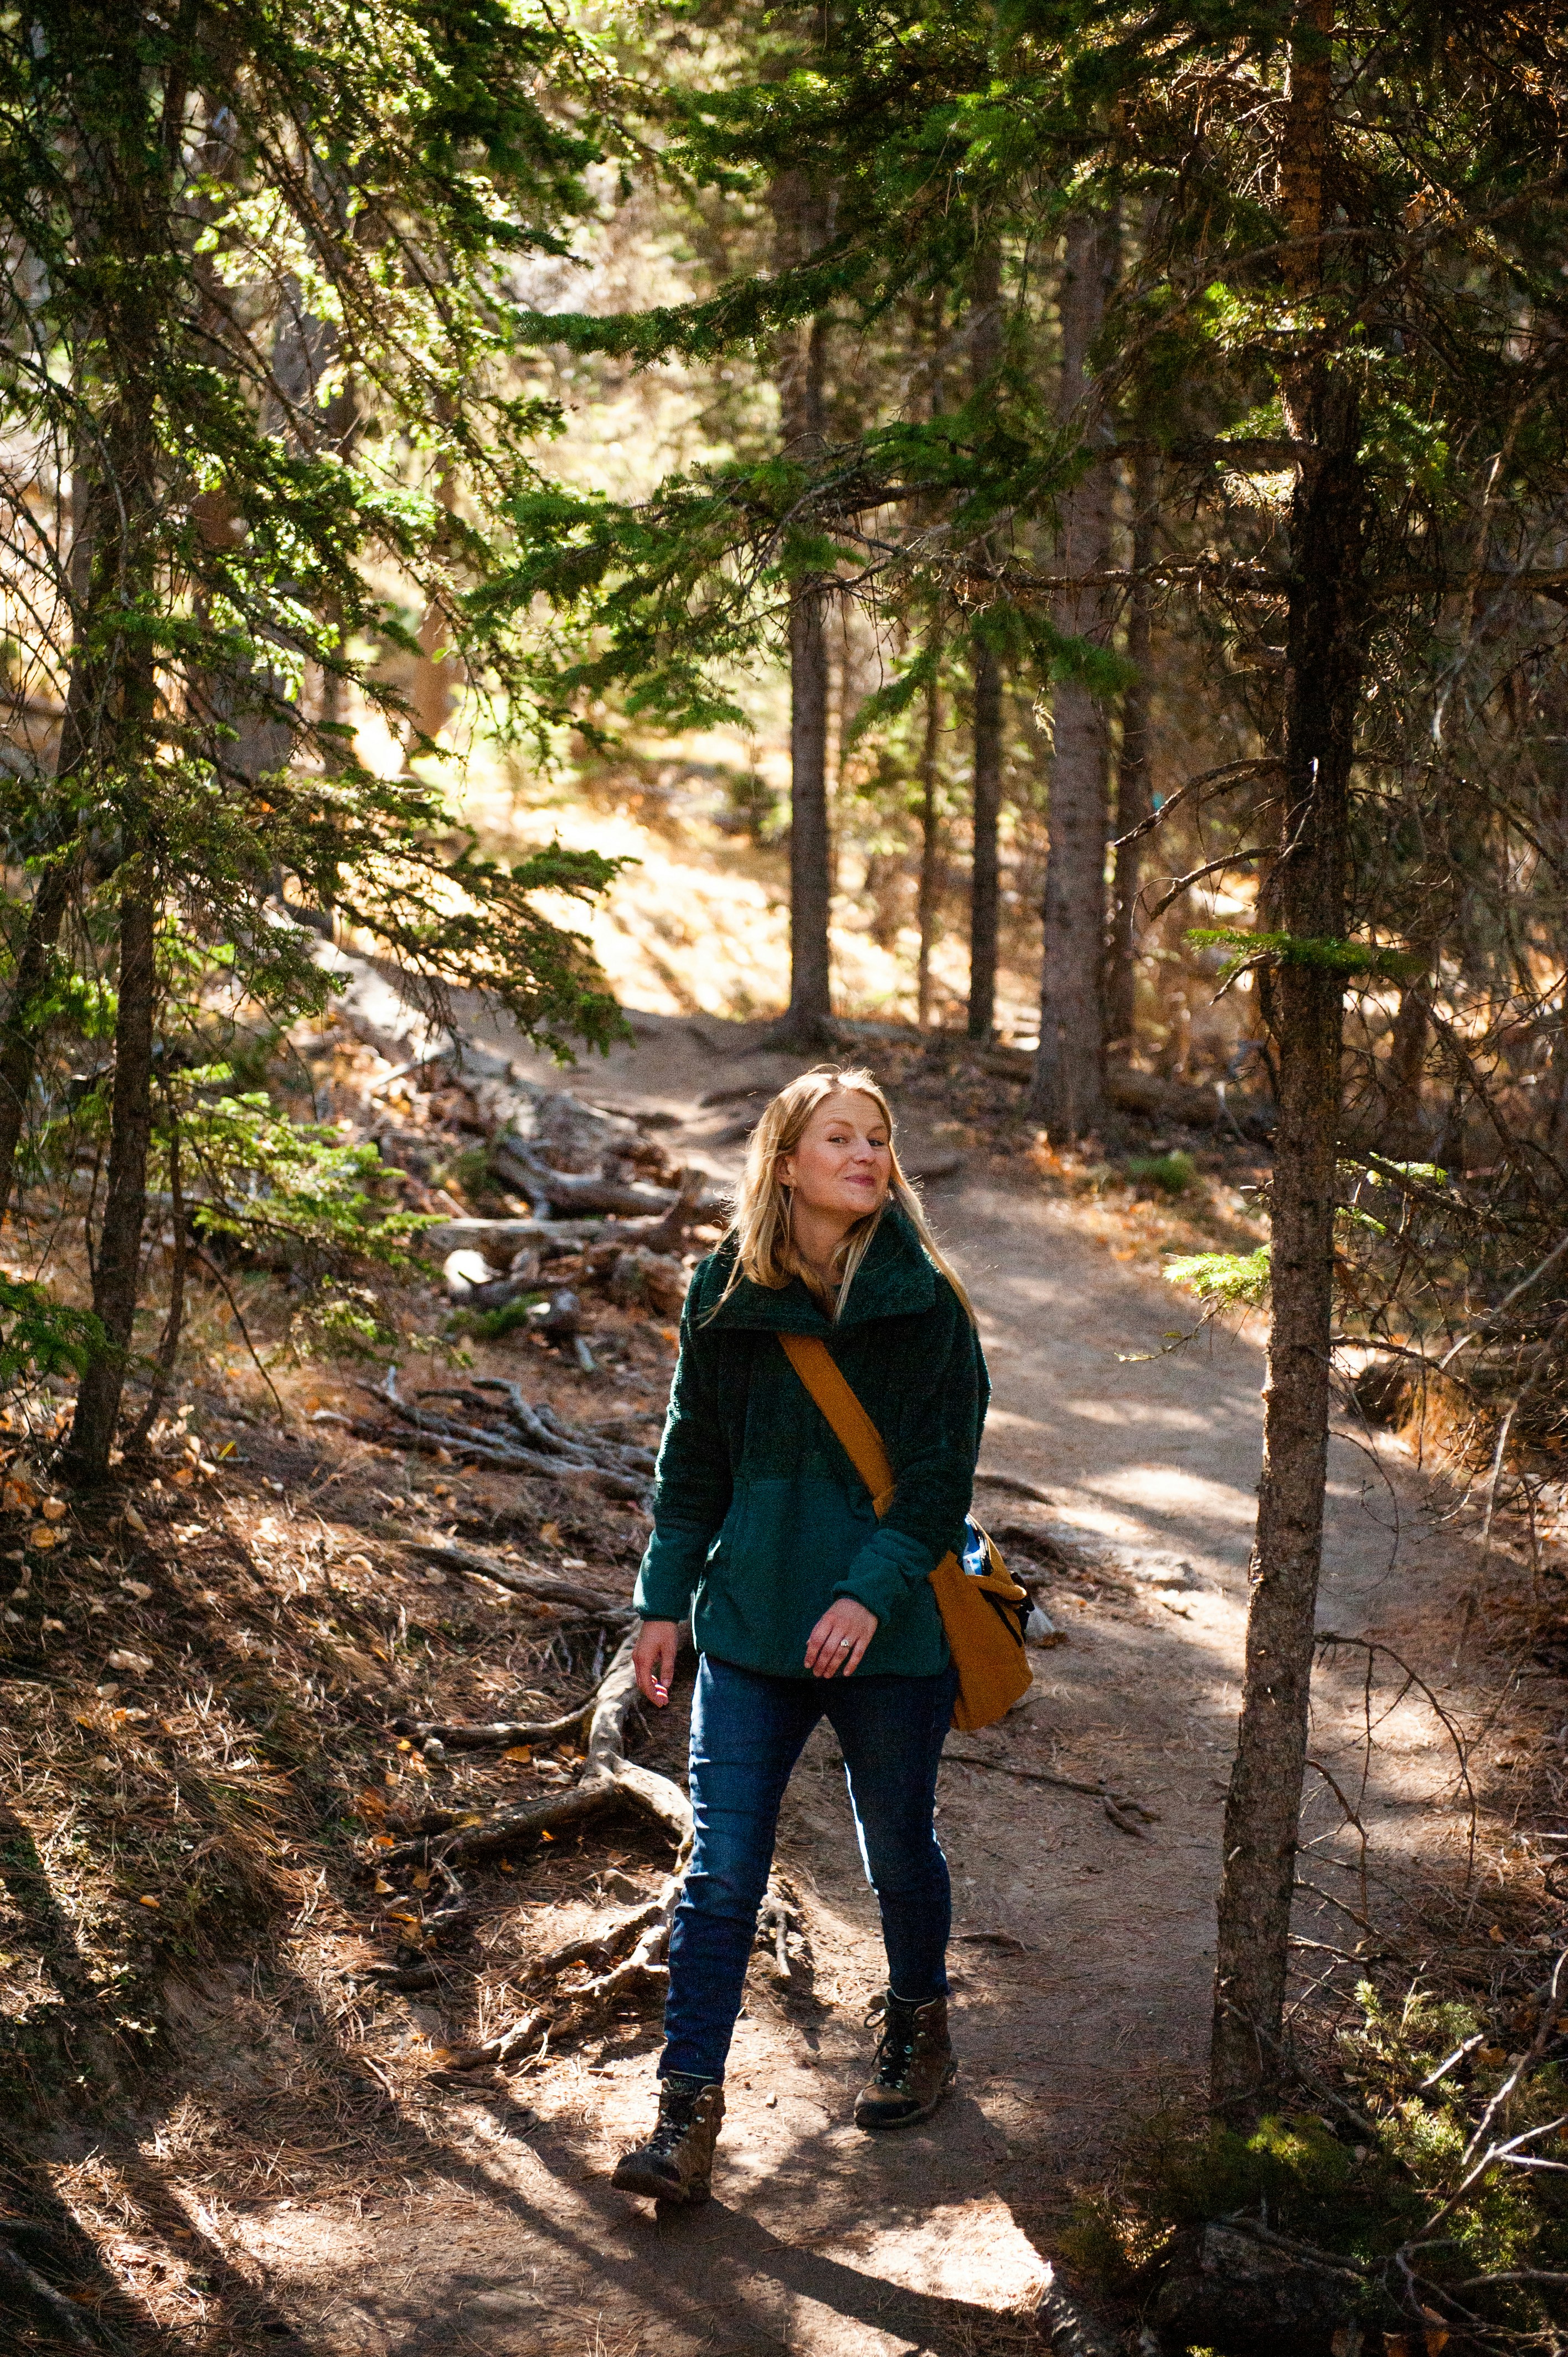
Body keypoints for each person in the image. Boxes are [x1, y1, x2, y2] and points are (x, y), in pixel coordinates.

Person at [611, 1064, 989, 2206]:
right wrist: (663, 1599)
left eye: (880, 1139)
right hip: (752, 1628)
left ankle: (919, 2026)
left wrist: (869, 1590)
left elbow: (938, 1480)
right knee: (721, 1874)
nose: (869, 1155)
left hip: (894, 1634)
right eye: (842, 1138)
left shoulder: (928, 1301)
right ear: (786, 1163)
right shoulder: (726, 1291)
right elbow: (694, 1467)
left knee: (896, 1846)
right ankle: (684, 2118)